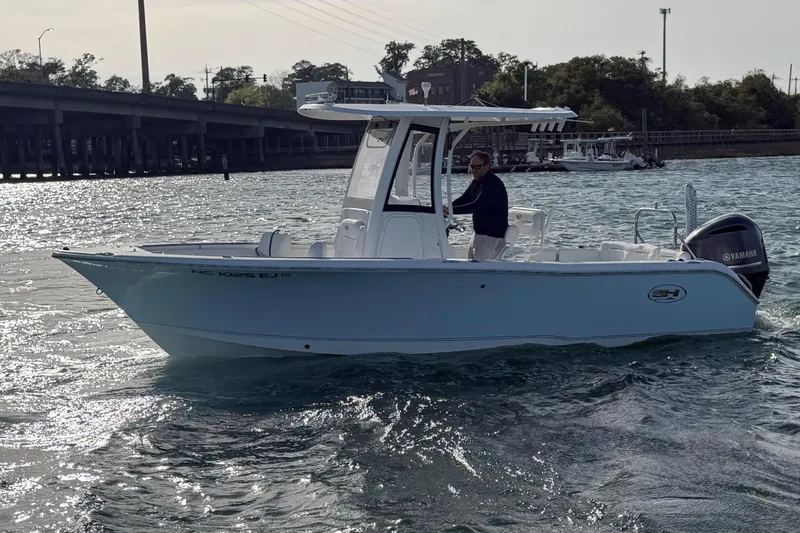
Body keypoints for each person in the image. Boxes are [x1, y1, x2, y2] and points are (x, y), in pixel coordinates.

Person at [442, 150, 508, 260]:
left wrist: (450, 211)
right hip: (479, 234)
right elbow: (464, 199)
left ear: (487, 166)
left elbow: (475, 206)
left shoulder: (492, 184)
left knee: (481, 270)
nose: (473, 170)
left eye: (477, 167)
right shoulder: (477, 182)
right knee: (471, 264)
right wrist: (446, 208)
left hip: (492, 237)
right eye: (472, 166)